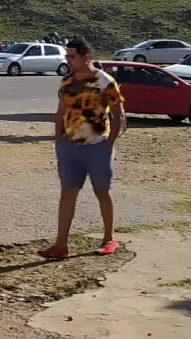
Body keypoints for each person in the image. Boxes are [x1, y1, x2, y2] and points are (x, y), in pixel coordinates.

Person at [39, 37, 127, 260]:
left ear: (86, 57)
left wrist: (109, 144)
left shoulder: (105, 81)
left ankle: (109, 239)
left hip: (98, 146)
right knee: (67, 192)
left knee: (102, 192)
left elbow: (119, 115)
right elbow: (60, 111)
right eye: (67, 56)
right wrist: (58, 139)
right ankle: (61, 244)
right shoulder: (66, 81)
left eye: (72, 56)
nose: (68, 60)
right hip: (69, 146)